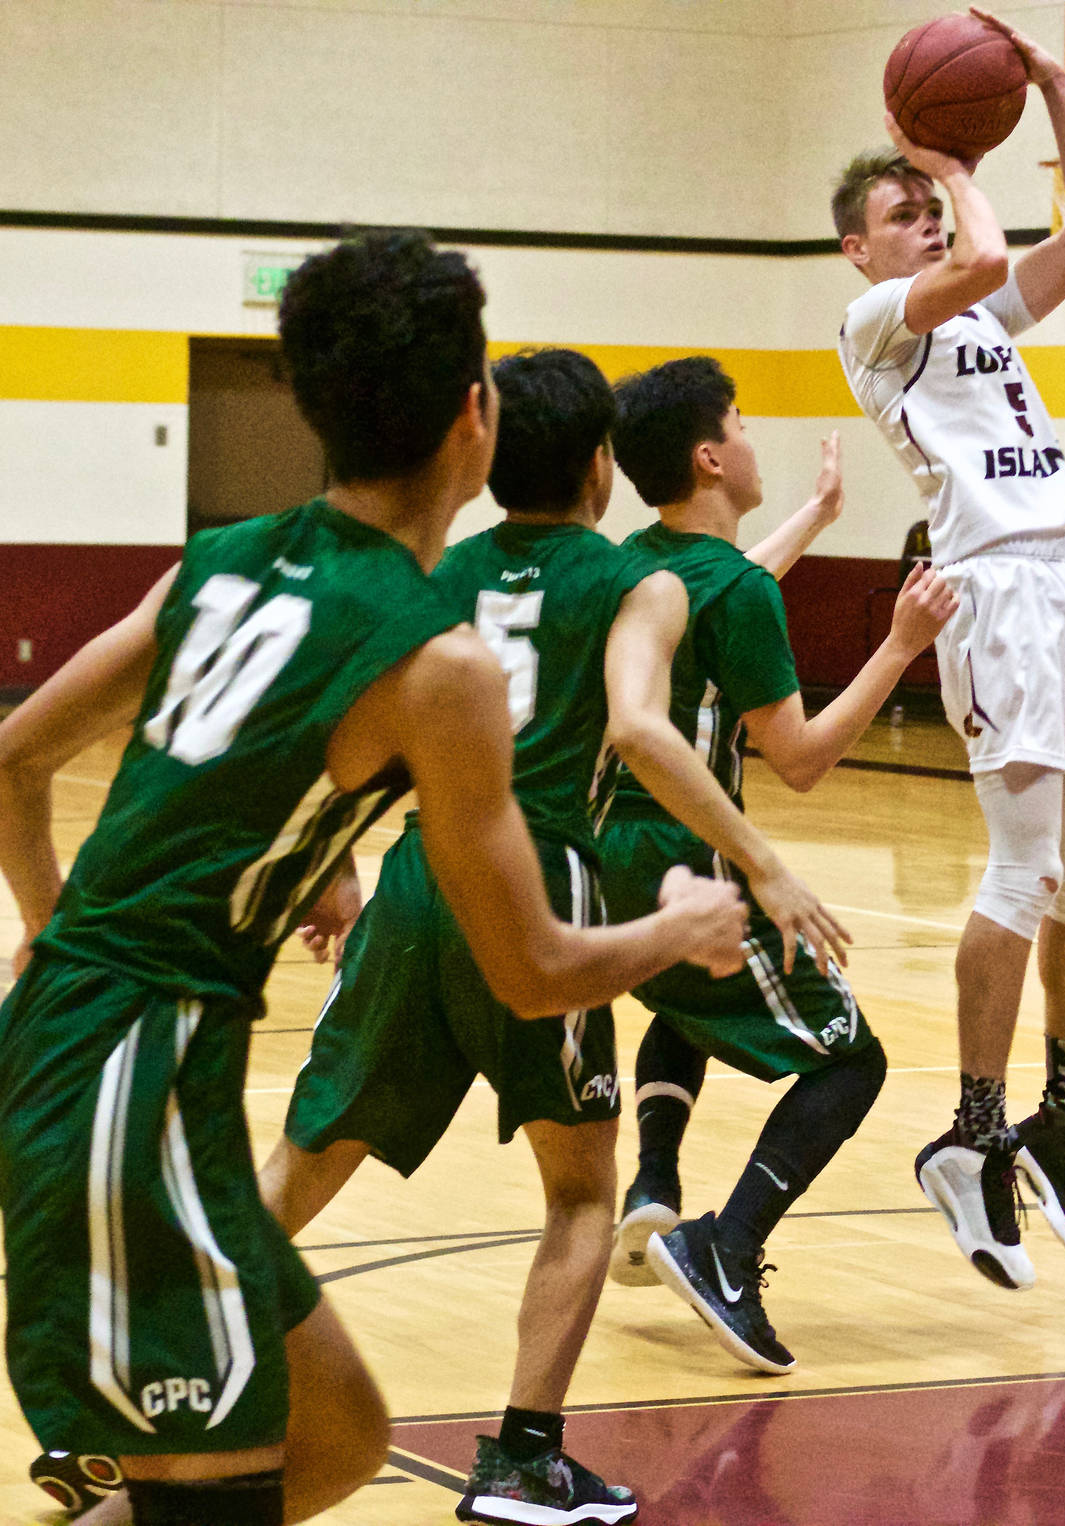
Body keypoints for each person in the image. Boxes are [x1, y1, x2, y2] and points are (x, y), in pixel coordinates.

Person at [0, 232, 746, 1526]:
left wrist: (81, 931)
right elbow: (532, 966)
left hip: (98, 1045)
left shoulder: (219, 561)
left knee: (338, 1438)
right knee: (220, 1499)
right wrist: (676, 925)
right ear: (476, 413)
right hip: (135, 1073)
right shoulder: (435, 660)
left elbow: (16, 760)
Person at [253, 346, 844, 1523]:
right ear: (596, 467)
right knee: (580, 1191)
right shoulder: (635, 580)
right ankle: (523, 1456)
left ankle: (145, 1392)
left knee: (308, 1155)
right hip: (538, 884)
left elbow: (337, 715)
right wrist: (764, 865)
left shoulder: (438, 565)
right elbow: (637, 726)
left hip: (419, 877)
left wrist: (322, 864)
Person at [834, 7, 1065, 1291]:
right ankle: (970, 1132)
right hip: (990, 594)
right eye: (905, 211)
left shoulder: (986, 321)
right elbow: (994, 241)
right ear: (860, 249)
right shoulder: (880, 326)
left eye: (931, 202)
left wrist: (1055, 83)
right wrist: (949, 158)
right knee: (1021, 875)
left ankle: (1060, 1114)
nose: (933, 221)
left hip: (1064, 584)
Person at [602, 356, 957, 1371]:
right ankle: (724, 1244)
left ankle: (652, 1181)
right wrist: (897, 647)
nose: (758, 436)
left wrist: (814, 513)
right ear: (711, 455)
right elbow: (797, 760)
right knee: (853, 1057)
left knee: (686, 1002)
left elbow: (727, 590)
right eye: (744, 423)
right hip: (684, 847)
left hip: (602, 849)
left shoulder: (638, 562)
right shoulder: (738, 594)